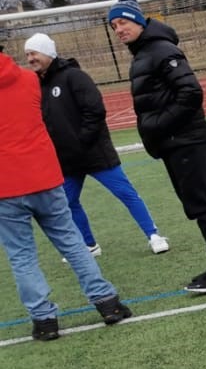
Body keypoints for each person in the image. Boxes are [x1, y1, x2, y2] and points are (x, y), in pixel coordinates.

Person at [107, 0, 206, 294]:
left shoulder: (161, 50)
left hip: (186, 140)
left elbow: (191, 93)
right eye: (113, 26)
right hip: (175, 142)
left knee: (202, 205)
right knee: (198, 205)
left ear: (138, 20)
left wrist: (158, 124)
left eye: (123, 22)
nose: (118, 29)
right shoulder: (144, 53)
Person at [0, 53, 133, 339]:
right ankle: (106, 302)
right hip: (43, 176)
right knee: (72, 242)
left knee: (22, 256)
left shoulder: (29, 79)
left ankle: (44, 320)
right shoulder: (29, 80)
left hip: (6, 187)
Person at [24, 33, 167, 257]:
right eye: (27, 55)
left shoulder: (74, 76)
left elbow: (95, 110)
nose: (30, 59)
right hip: (66, 159)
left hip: (94, 153)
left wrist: (82, 140)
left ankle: (154, 235)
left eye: (34, 53)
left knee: (125, 193)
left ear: (47, 53)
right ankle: (89, 244)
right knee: (68, 202)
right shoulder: (35, 84)